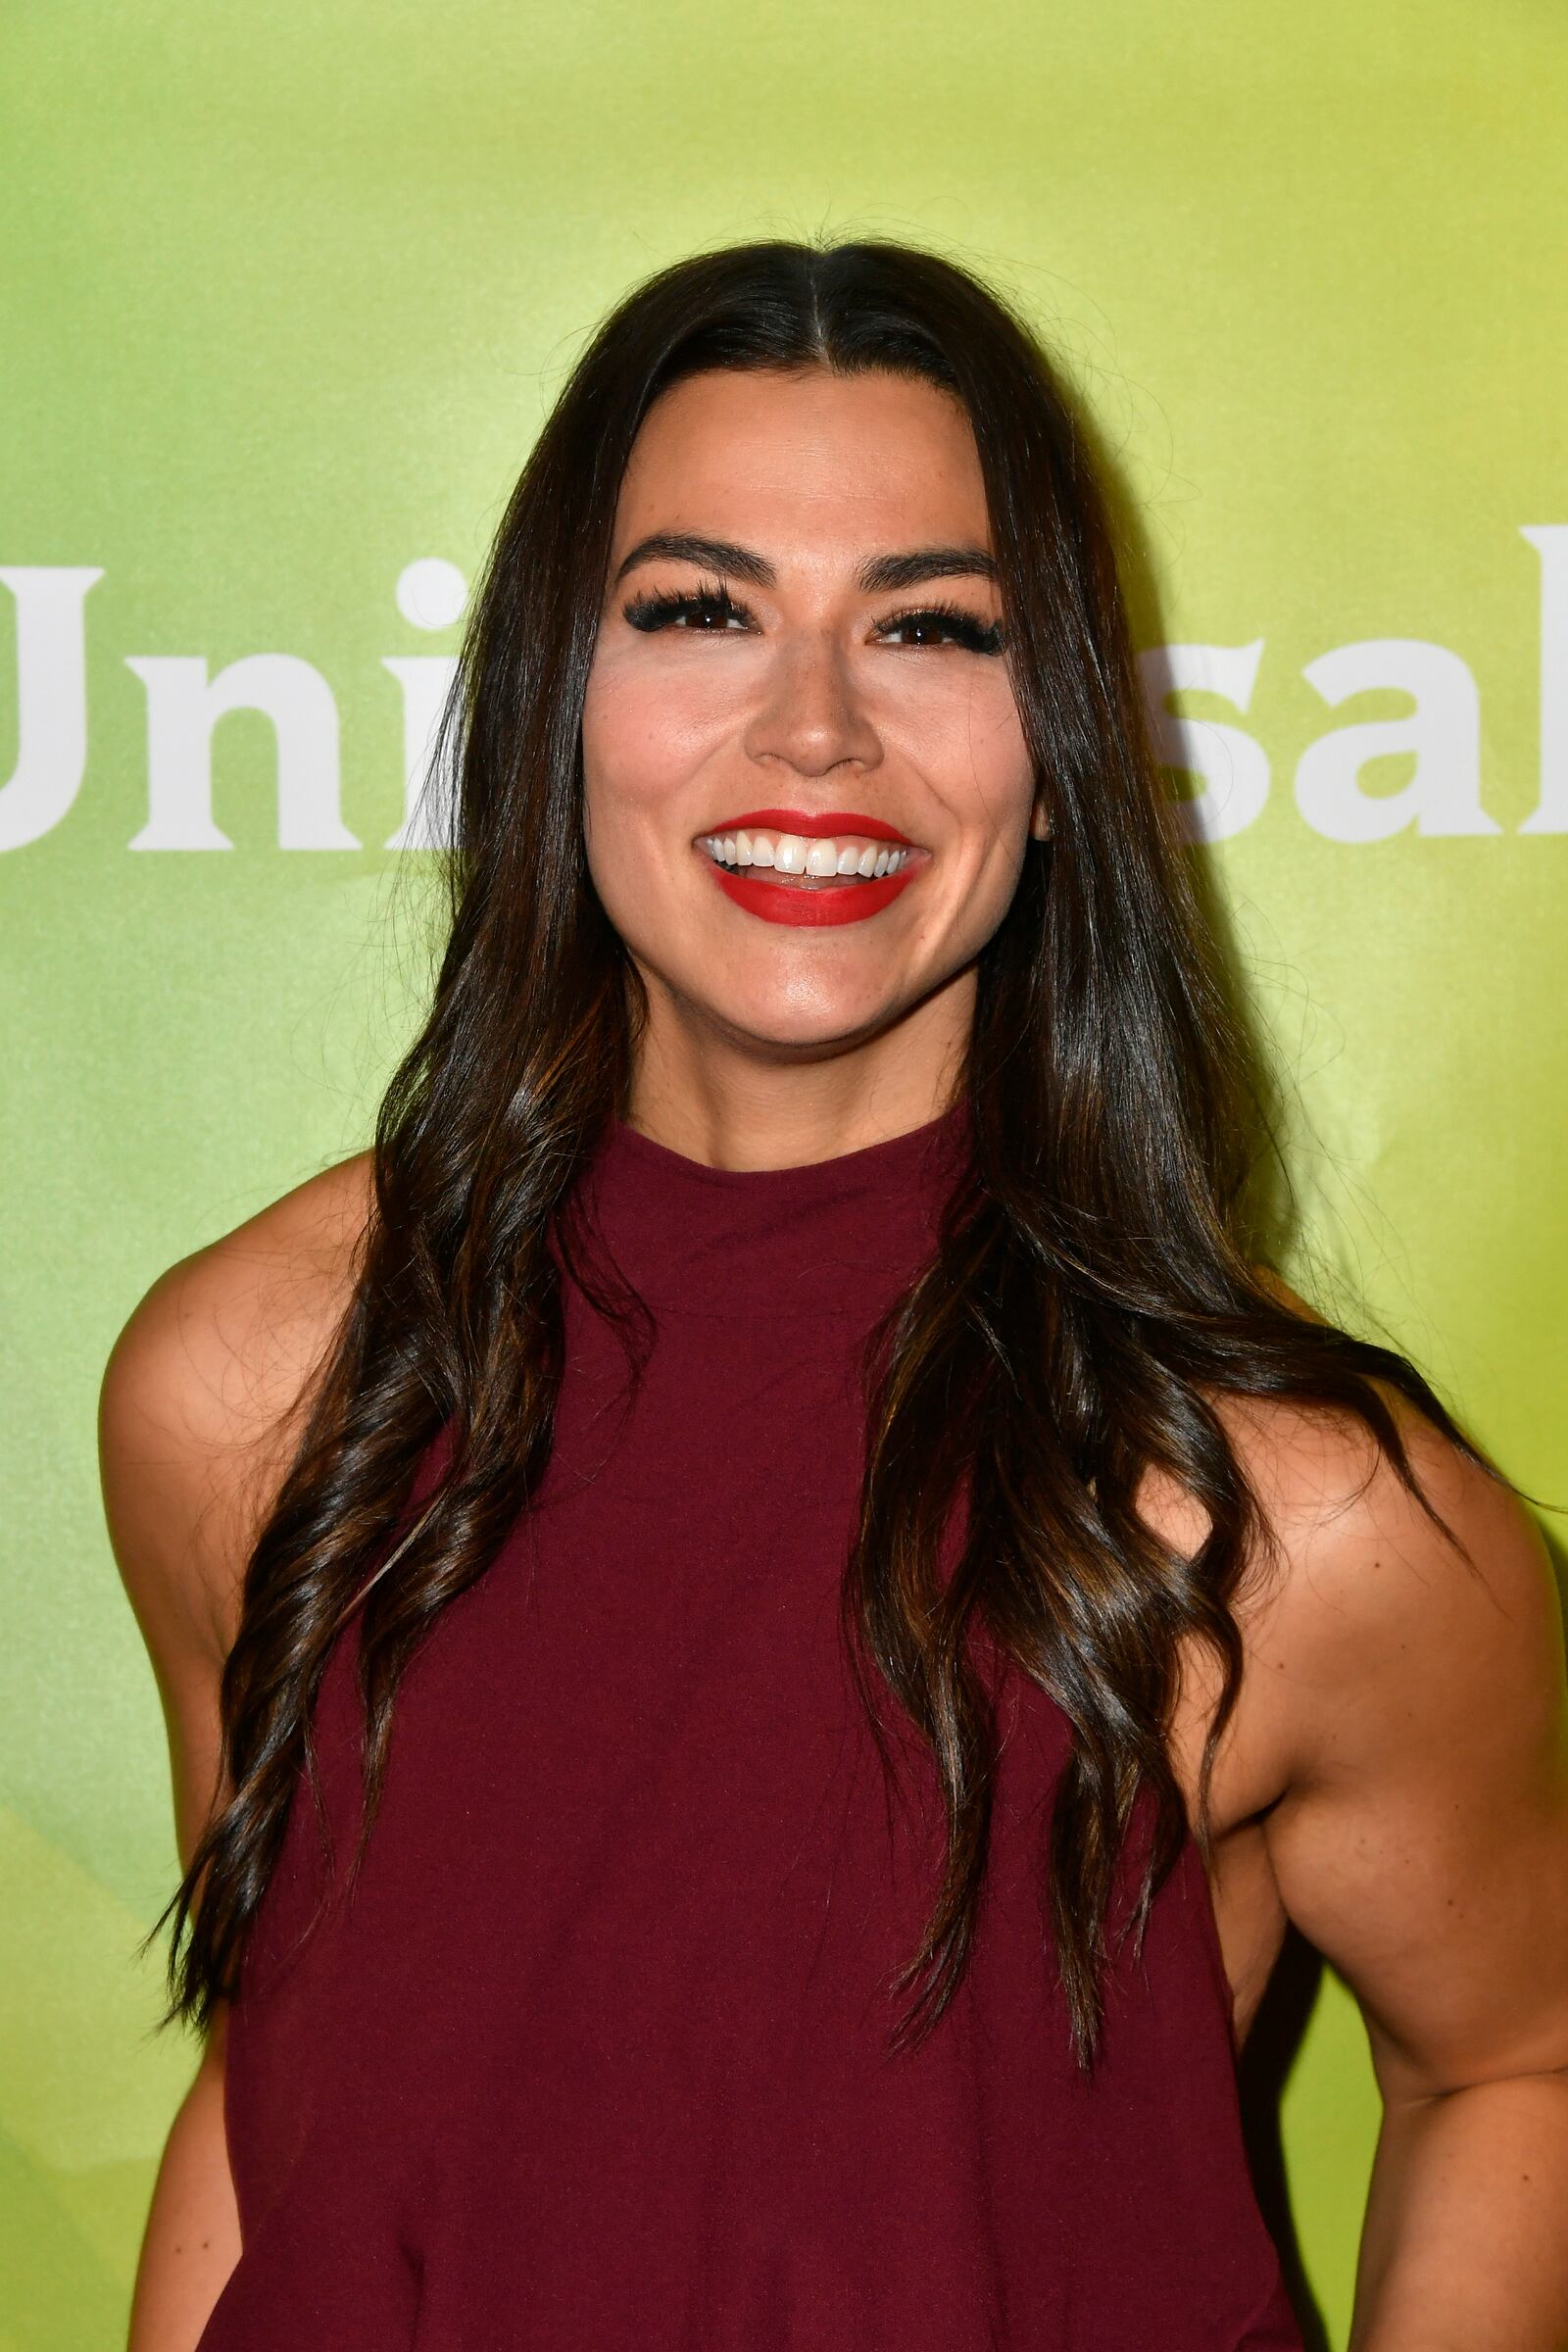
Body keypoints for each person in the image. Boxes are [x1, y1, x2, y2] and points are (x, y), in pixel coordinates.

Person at [100, 239, 1568, 2352]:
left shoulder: (1294, 1514)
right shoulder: (248, 1383)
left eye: (932, 627)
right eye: (696, 610)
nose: (812, 727)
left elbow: (1509, 2057)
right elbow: (286, 2085)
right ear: (551, 706)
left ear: (1054, 746)